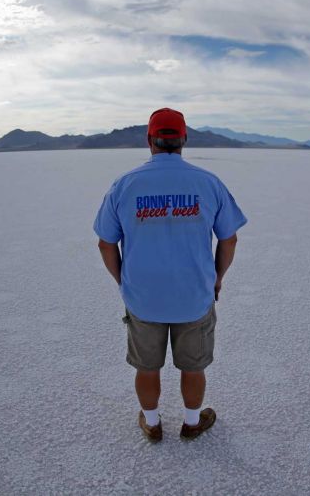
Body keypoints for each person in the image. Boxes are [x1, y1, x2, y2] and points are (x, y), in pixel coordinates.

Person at [93, 108, 247, 442]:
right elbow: (229, 237)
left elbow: (106, 244)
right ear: (184, 140)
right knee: (193, 366)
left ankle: (152, 423)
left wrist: (124, 282)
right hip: (195, 296)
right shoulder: (208, 183)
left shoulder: (125, 185)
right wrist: (217, 277)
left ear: (149, 140)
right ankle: (192, 423)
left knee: (146, 367)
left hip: (143, 299)